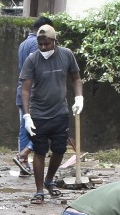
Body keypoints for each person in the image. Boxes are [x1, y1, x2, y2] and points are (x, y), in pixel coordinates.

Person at [19, 23, 83, 204]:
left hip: (60, 113)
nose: (43, 48)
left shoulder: (66, 55)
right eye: (40, 44)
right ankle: (39, 191)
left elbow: (76, 79)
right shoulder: (32, 60)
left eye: (46, 44)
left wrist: (79, 98)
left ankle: (49, 180)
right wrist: (27, 116)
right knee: (39, 151)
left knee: (59, 149)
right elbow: (25, 90)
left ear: (54, 41)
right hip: (39, 114)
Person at [14, 16, 51, 175]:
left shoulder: (23, 44)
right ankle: (26, 153)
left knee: (25, 128)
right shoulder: (38, 44)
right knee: (44, 128)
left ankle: (23, 163)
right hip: (35, 94)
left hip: (23, 92)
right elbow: (38, 71)